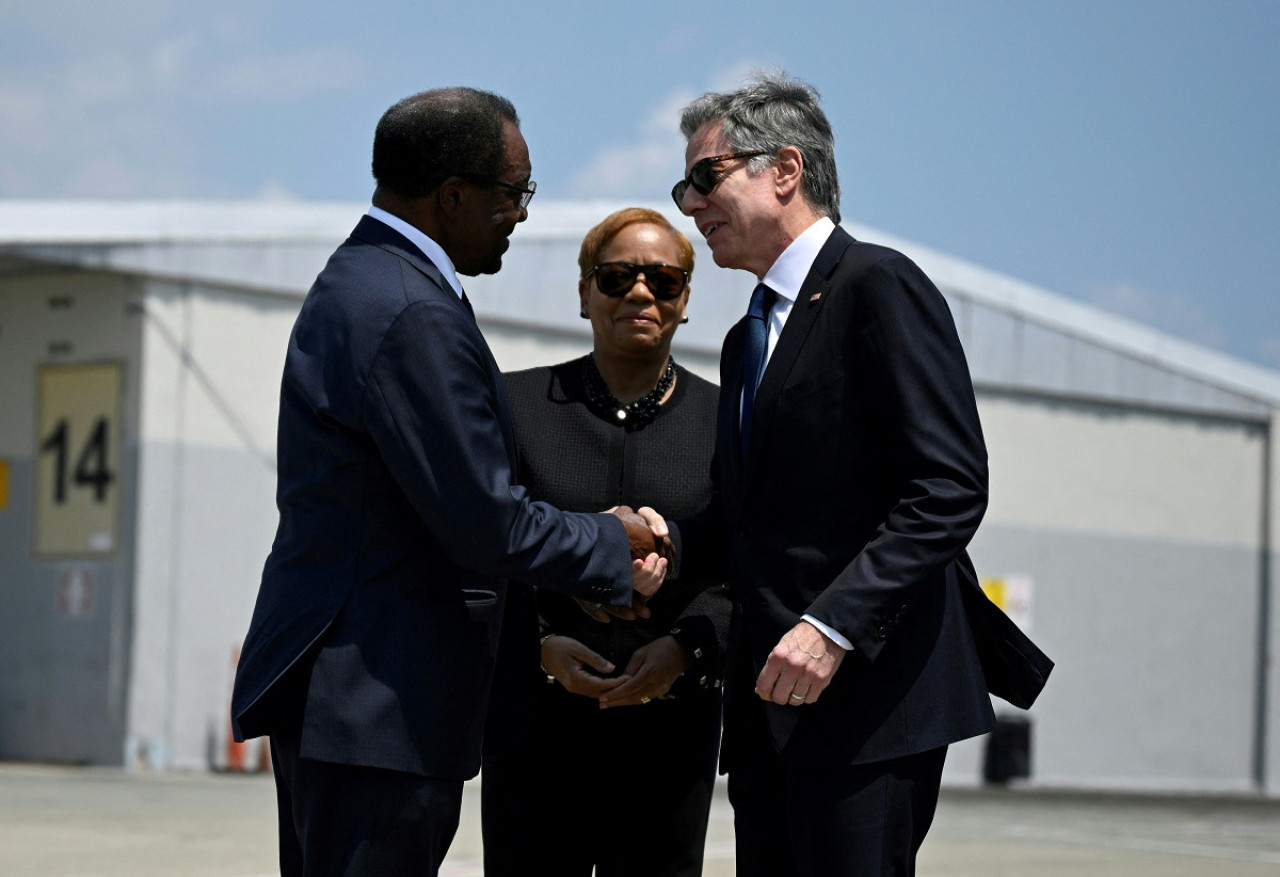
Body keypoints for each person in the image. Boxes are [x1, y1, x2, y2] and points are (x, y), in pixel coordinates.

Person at [229, 88, 670, 877]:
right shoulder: (410, 312)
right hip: (378, 702)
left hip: (355, 699)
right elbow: (484, 519)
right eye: (514, 193)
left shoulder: (366, 281)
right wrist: (613, 538)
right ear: (453, 196)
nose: (523, 215)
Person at [669, 72, 997, 876]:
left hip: (865, 707)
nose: (690, 205)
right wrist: (655, 543)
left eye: (704, 178)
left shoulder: (878, 286)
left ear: (784, 169)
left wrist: (832, 626)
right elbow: (750, 520)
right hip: (768, 716)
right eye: (684, 189)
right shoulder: (745, 340)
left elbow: (948, 486)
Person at [480, 207, 729, 877]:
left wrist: (689, 648)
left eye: (664, 280)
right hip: (537, 731)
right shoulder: (515, 404)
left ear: (685, 300)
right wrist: (535, 646)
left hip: (672, 734)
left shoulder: (729, 421)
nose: (640, 293)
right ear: (584, 293)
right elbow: (477, 547)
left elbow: (750, 560)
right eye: (616, 277)